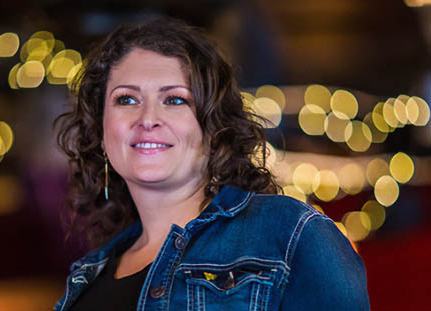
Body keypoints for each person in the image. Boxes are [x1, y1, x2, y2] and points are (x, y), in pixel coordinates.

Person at [53, 17, 369, 311]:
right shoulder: (87, 275)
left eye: (175, 99)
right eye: (126, 99)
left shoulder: (292, 234)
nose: (148, 119)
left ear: (214, 128)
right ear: (102, 130)